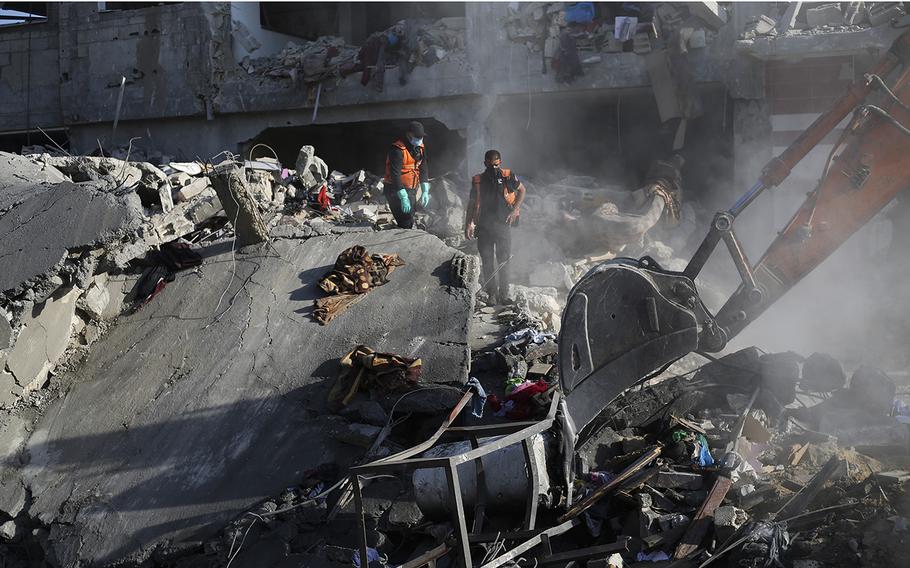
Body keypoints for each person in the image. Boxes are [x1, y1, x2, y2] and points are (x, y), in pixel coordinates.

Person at [464, 150, 526, 304]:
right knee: (487, 260)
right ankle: (491, 293)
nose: (494, 167)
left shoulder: (507, 176)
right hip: (484, 227)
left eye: (496, 164)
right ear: (485, 163)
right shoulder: (478, 180)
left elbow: (522, 190)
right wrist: (468, 224)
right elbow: (472, 203)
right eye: (491, 164)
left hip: (503, 226)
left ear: (500, 162)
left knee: (504, 260)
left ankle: (504, 295)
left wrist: (515, 210)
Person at [383, 121, 430, 229]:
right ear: (409, 134)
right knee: (405, 221)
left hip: (411, 188)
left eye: (421, 137)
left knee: (410, 217)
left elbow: (423, 168)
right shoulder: (397, 150)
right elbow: (395, 174)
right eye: (417, 136)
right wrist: (403, 197)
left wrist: (425, 190)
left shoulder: (420, 147)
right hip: (394, 189)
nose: (420, 139)